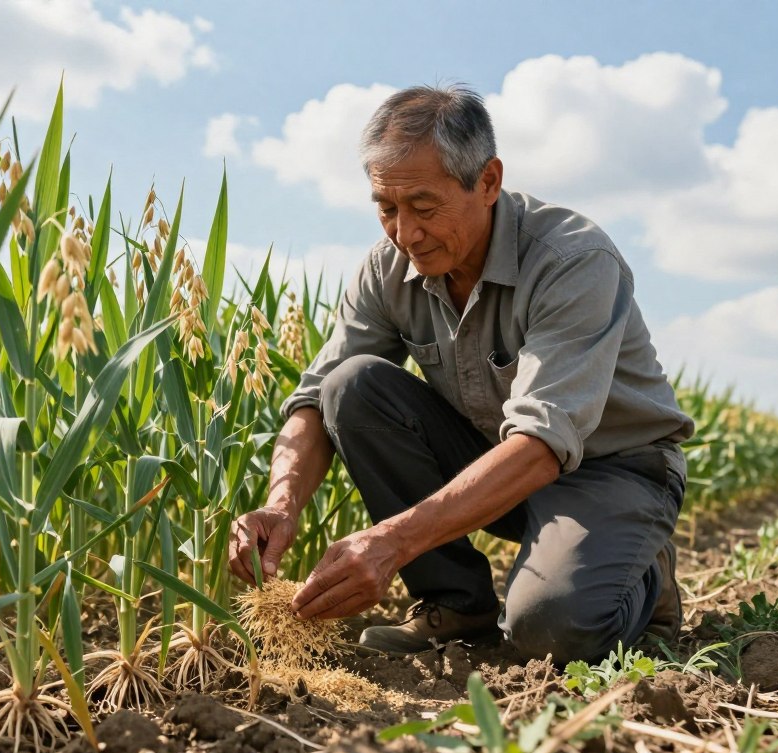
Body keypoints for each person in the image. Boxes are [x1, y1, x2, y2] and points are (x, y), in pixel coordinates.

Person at [227, 84, 695, 662]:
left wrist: (390, 543)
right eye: (386, 208)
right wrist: (280, 504)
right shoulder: (391, 267)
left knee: (550, 632)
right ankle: (456, 605)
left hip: (613, 472)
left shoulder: (572, 260)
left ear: (489, 181)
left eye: (424, 207)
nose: (405, 233)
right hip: (495, 467)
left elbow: (543, 442)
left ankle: (646, 574)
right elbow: (314, 398)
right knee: (351, 386)